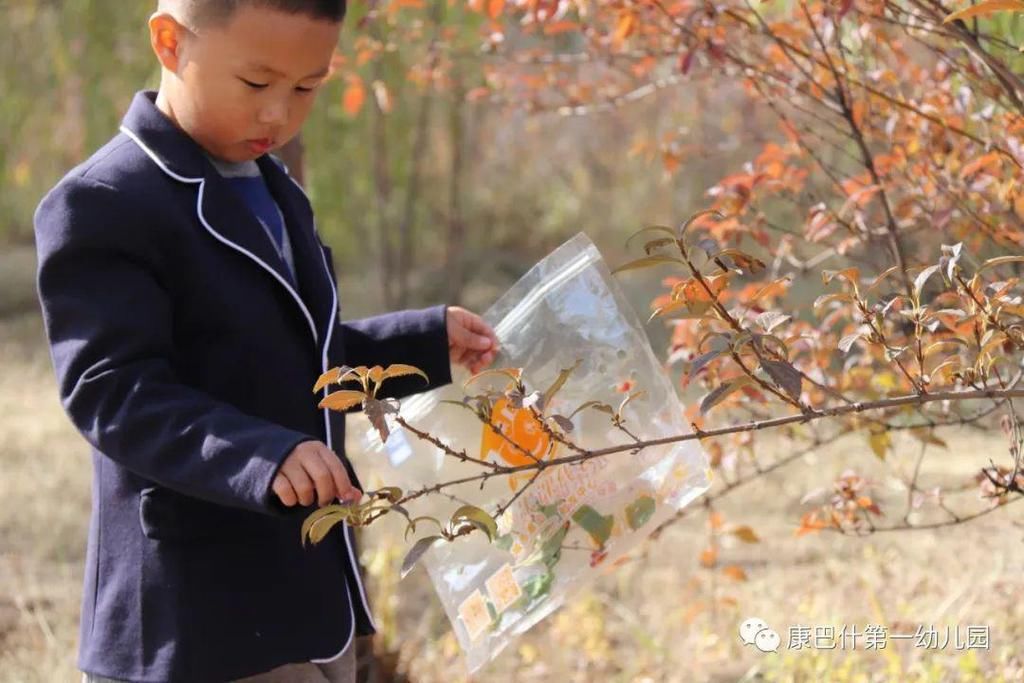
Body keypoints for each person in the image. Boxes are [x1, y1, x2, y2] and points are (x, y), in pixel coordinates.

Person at [33, 1, 499, 681]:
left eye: (307, 86)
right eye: (256, 84)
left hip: (308, 604)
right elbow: (115, 393)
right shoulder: (104, 203)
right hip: (192, 621)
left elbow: (297, 354)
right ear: (169, 42)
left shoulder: (278, 190)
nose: (279, 114)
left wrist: (425, 342)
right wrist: (266, 455)